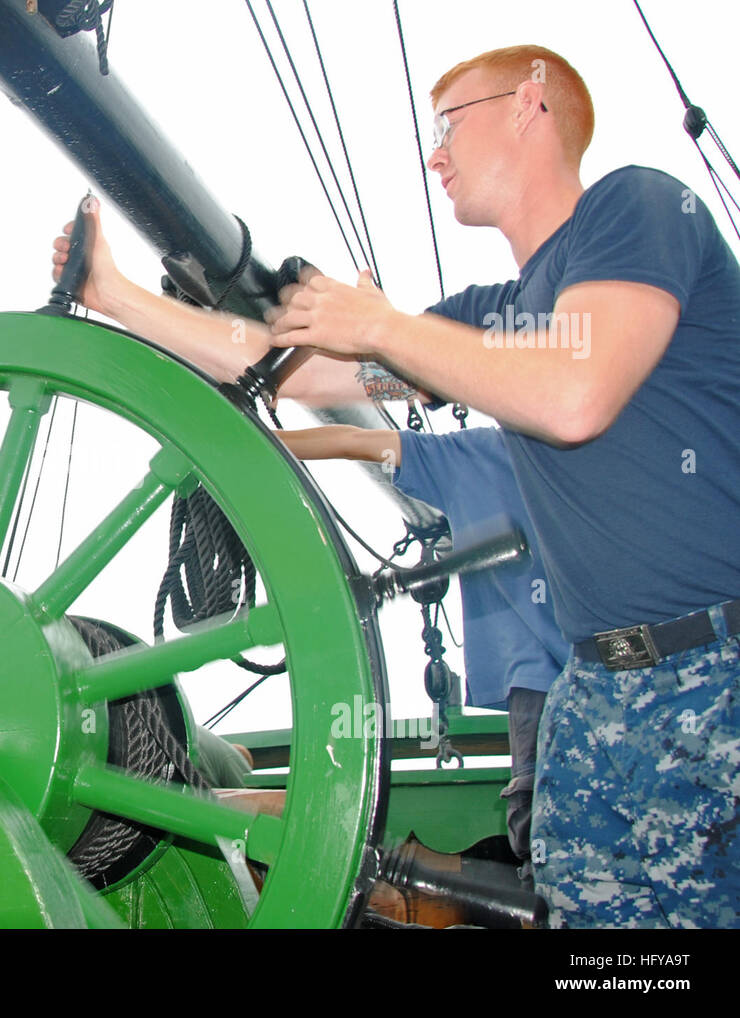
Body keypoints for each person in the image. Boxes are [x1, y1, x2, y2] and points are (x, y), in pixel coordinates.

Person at [263, 46, 740, 928]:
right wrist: (121, 298)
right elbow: (292, 371)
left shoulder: (640, 206)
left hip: (717, 679)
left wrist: (384, 325)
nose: (433, 154)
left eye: (447, 125)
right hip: (594, 698)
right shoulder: (489, 318)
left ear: (528, 105)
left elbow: (572, 394)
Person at [53, 205, 567, 883]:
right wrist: (238, 449)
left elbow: (365, 424)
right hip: (559, 698)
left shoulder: (492, 442)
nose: (439, 156)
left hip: (574, 695)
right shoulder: (480, 422)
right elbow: (353, 397)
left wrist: (377, 336)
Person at [278, 424, 565, 880]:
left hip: (540, 686)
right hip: (628, 667)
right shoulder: (609, 442)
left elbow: (353, 440)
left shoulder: (475, 453)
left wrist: (238, 434)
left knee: (549, 845)